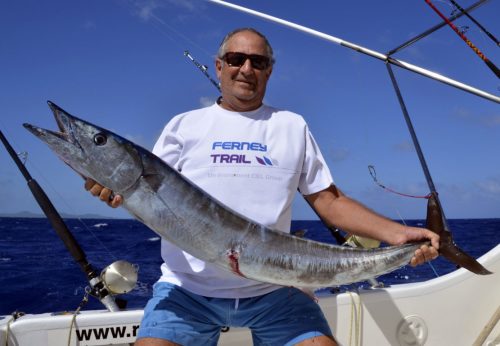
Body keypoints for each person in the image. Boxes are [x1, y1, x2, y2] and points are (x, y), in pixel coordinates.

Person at [85, 28, 439, 346]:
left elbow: (328, 200)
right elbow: (143, 191)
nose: (246, 69)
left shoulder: (291, 126)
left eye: (258, 61)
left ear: (269, 70)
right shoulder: (183, 126)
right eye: (236, 59)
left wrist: (398, 234)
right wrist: (110, 189)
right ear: (219, 66)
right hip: (186, 291)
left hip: (276, 290)